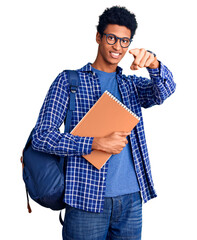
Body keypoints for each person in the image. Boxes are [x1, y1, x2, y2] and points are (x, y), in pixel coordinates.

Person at [32, 6, 176, 240]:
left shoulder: (130, 85)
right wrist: (94, 143)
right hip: (85, 198)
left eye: (124, 41)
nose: (117, 47)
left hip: (132, 199)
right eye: (111, 38)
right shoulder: (69, 81)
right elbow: (42, 136)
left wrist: (154, 65)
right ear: (98, 37)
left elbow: (164, 91)